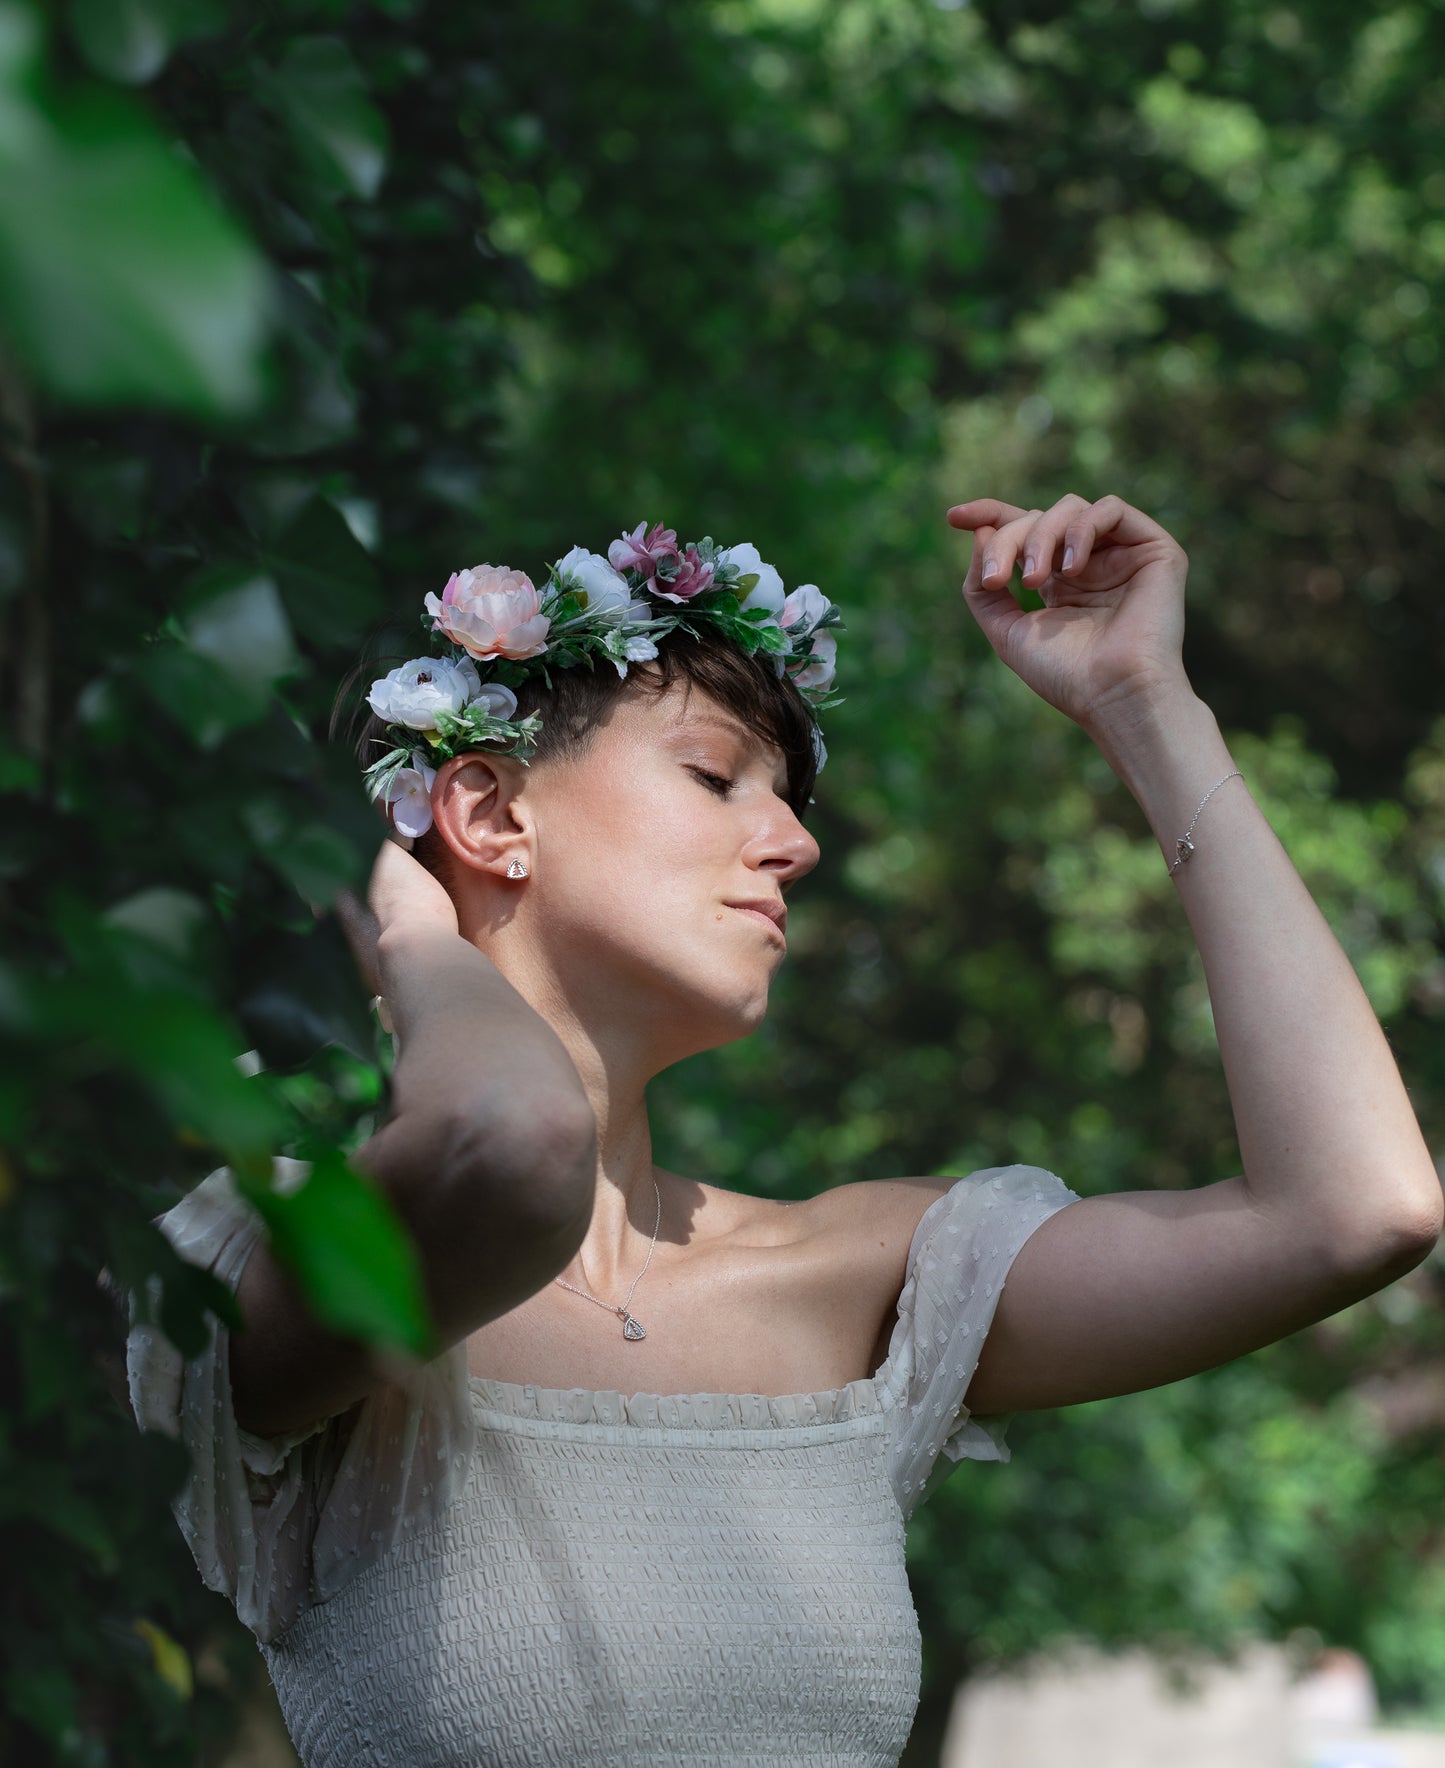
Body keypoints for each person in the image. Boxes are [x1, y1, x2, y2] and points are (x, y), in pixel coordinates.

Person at [125, 494, 1442, 1768]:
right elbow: (507, 1146)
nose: (794, 846)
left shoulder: (856, 1275)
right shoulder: (286, 1254)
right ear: (486, 813)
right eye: (715, 777)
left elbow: (1354, 1211)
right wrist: (408, 926)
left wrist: (1144, 702)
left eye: (794, 801)